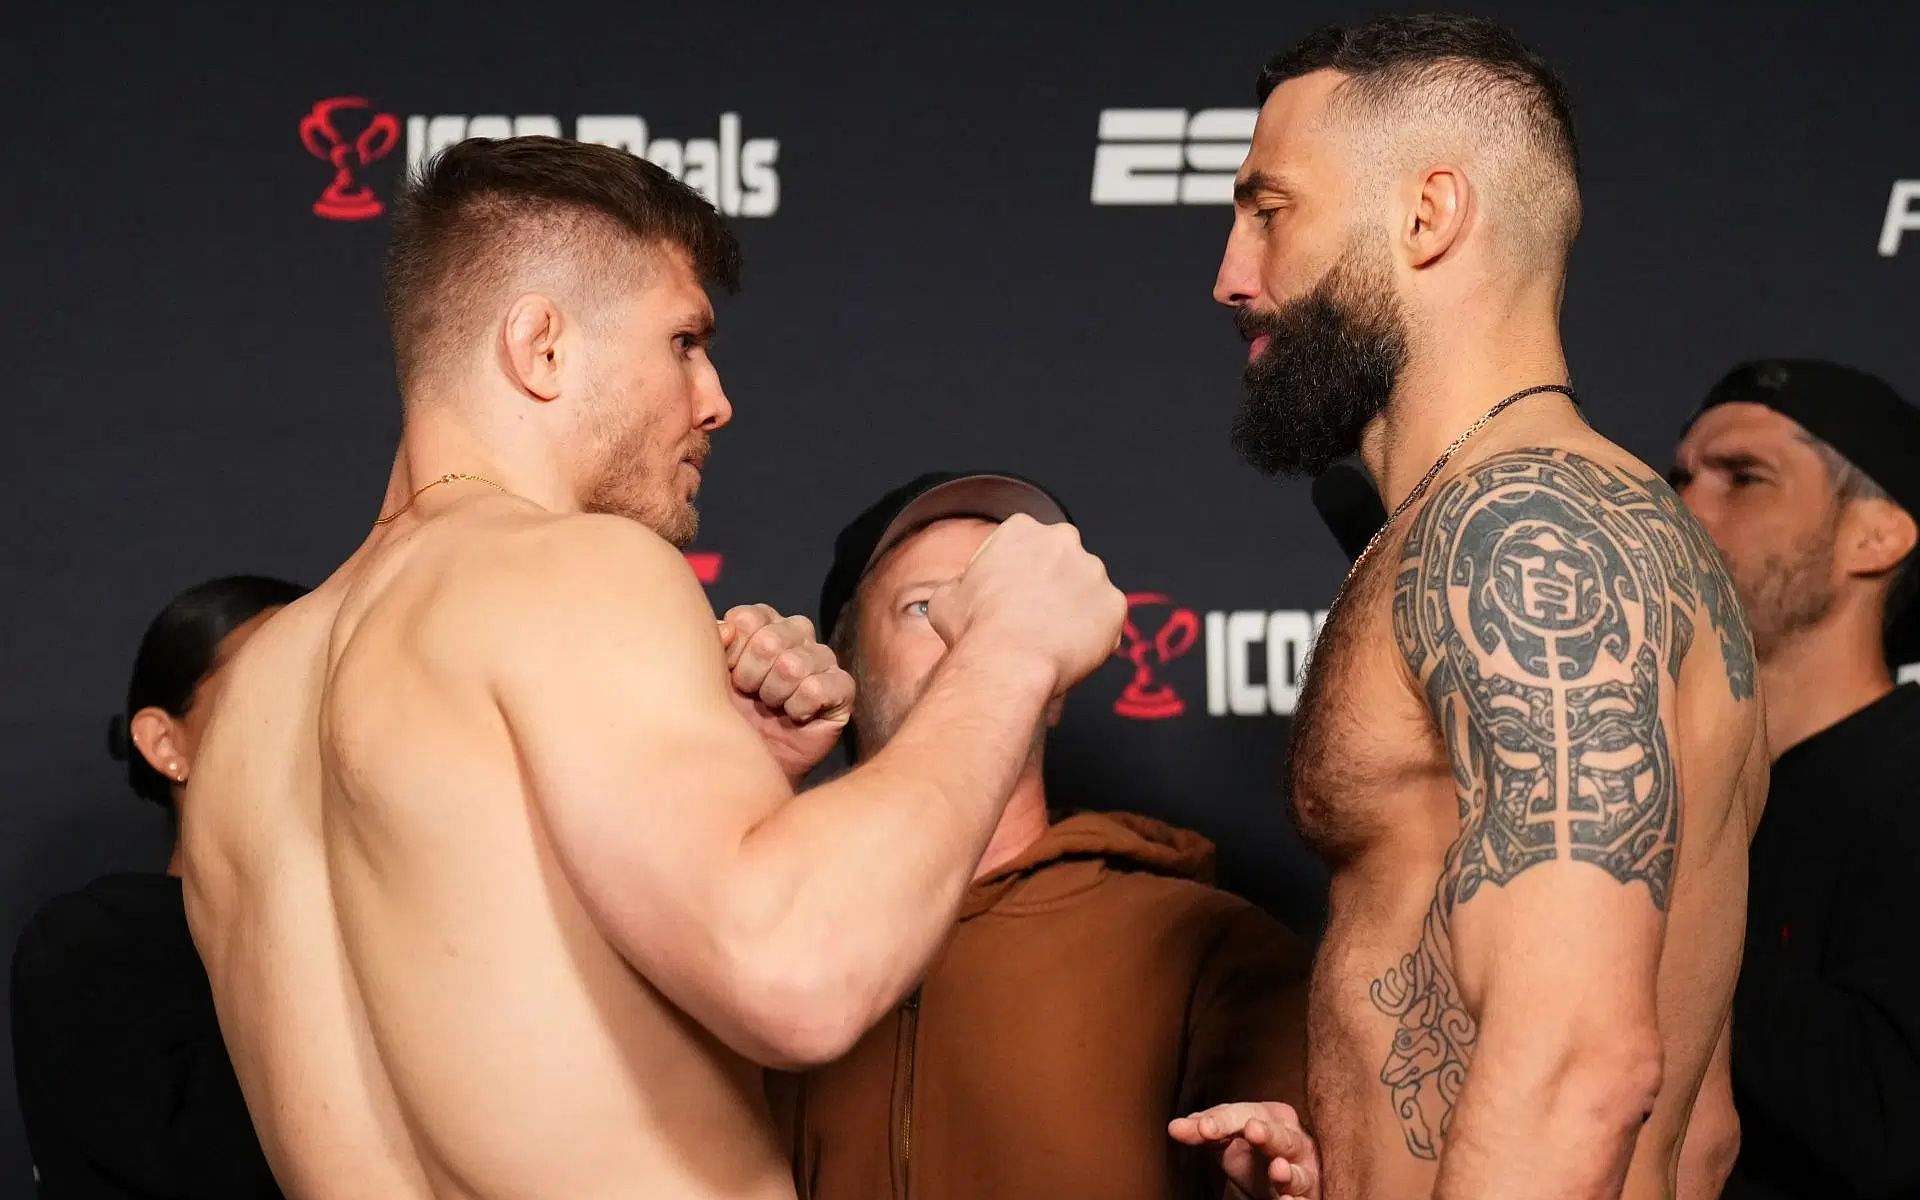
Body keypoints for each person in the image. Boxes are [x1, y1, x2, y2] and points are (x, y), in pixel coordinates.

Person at [179, 136, 1125, 1200]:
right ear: (540, 345)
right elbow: (795, 970)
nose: (714, 399)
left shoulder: (251, 709)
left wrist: (749, 788)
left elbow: (496, 1001)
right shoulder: (573, 565)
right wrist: (1008, 650)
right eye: (683, 341)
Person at [1205, 14, 1768, 1199]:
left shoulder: (1522, 530)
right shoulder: (1524, 517)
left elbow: (1581, 1065)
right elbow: (1698, 1128)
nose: (1231, 276)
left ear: (1428, 215)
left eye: (1269, 210)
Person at [772, 471, 1317, 1200]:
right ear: (845, 664)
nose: (971, 638)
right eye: (925, 605)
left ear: (1057, 680)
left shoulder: (1207, 947)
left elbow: (1295, 1160)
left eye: (1008, 612)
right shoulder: (755, 932)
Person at [1671, 360, 1920, 1200]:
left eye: (1743, 478)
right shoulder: (1670, 791)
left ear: (1876, 535)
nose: (1683, 507)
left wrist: (1639, 905)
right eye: (1680, 477)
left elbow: (1891, 1119)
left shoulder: (1907, 776)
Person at [12, 575, 303, 1199]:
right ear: (165, 742)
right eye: (278, 679)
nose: (310, 711)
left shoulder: (406, 937)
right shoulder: (96, 943)